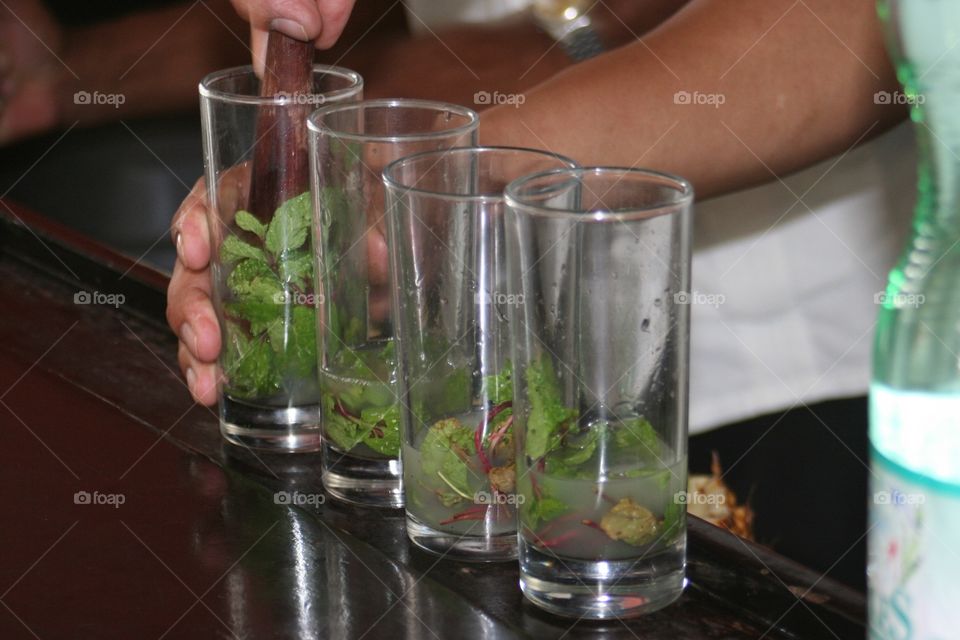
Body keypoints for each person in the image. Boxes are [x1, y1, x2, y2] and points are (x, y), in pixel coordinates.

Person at [166, 0, 913, 589]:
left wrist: (444, 188)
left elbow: (855, 23)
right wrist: (408, 209)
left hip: (794, 379)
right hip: (498, 412)